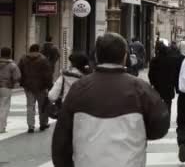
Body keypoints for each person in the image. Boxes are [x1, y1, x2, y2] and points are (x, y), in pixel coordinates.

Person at [51, 33, 170, 167]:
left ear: (96, 56)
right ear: (125, 56)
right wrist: (139, 133)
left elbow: (61, 141)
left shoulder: (79, 88)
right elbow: (160, 125)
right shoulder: (140, 89)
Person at [18, 44, 52, 133]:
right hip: (41, 86)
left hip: (28, 86)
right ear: (38, 50)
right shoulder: (43, 59)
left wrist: (22, 82)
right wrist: (49, 85)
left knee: (30, 106)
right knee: (42, 106)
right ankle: (43, 124)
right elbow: (47, 74)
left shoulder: (23, 59)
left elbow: (19, 71)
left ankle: (30, 126)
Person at [148, 43, 177, 114]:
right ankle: (167, 121)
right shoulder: (171, 60)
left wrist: (152, 83)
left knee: (157, 106)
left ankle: (159, 121)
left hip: (157, 87)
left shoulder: (154, 60)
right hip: (168, 87)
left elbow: (150, 74)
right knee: (168, 105)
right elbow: (174, 73)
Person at [0, 47, 21, 133]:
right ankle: (1, 127)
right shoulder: (12, 65)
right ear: (10, 54)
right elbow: (17, 76)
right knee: (4, 107)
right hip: (6, 87)